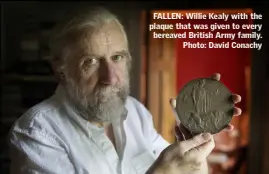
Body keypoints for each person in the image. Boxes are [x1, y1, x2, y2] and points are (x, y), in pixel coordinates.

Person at [8, 7, 242, 174]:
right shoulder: (35, 133)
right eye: (90, 61)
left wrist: (195, 146)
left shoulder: (137, 112)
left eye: (117, 57)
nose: (109, 77)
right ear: (61, 71)